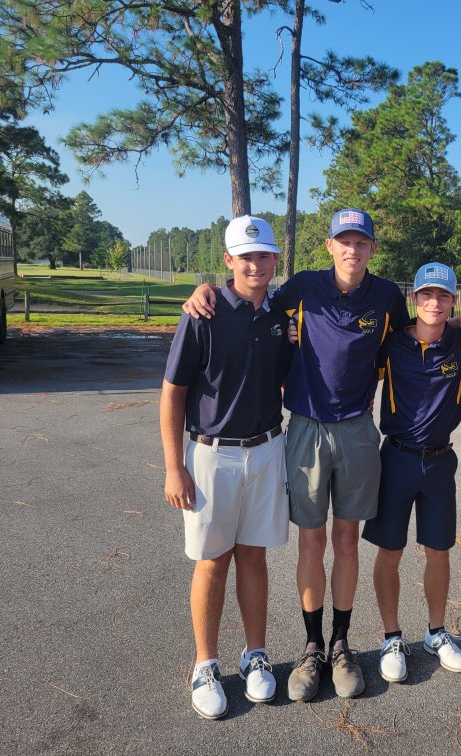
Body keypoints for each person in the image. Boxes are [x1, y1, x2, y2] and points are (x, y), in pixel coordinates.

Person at [182, 209, 461, 701]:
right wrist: (206, 288)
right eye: (344, 241)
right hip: (303, 430)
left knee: (347, 540)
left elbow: (424, 330)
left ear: (372, 249)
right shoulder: (300, 287)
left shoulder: (385, 296)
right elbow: (251, 300)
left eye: (361, 242)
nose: (352, 250)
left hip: (358, 432)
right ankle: (312, 646)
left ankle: (341, 644)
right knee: (310, 543)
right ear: (329, 246)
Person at [160, 215, 291, 719]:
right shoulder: (203, 313)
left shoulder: (282, 317)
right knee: (212, 560)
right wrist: (174, 468)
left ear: (275, 259)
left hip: (265, 448)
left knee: (254, 556)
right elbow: (173, 394)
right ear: (228, 261)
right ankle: (206, 663)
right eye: (246, 256)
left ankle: (255, 654)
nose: (255, 264)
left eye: (264, 255)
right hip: (211, 454)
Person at [362, 262, 461, 683]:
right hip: (396, 458)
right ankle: (392, 636)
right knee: (389, 550)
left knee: (438, 550)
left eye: (443, 296)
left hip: (441, 461)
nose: (434, 302)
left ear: (453, 301)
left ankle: (436, 631)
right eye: (427, 294)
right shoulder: (389, 346)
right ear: (414, 299)